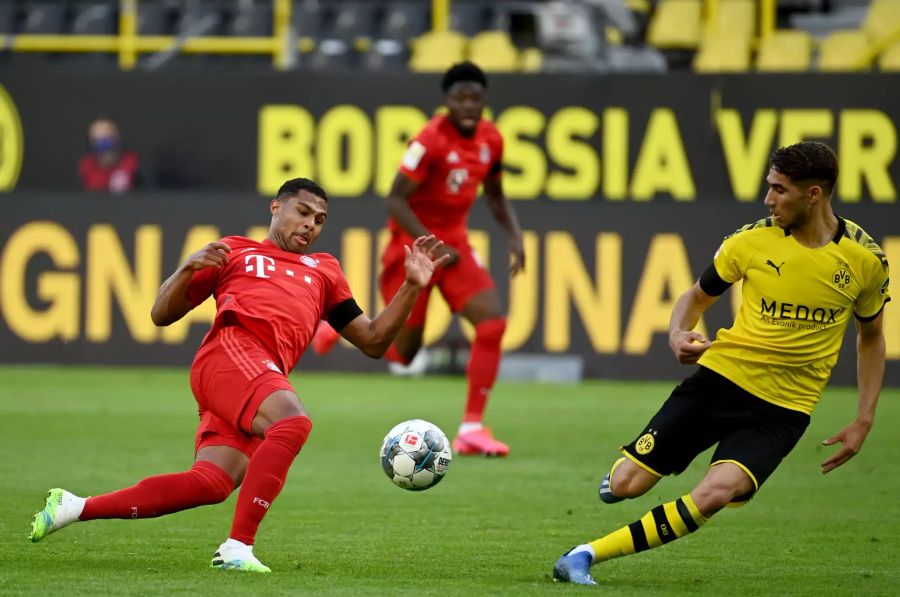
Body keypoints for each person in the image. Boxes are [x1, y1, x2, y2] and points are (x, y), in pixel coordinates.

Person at [29, 177, 448, 573]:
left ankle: (74, 507)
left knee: (212, 482)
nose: (310, 224)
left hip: (255, 376)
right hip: (231, 353)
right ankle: (237, 547)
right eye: (302, 212)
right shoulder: (236, 252)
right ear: (276, 207)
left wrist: (412, 286)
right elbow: (160, 315)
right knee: (292, 422)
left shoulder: (324, 270)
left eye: (319, 220)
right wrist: (187, 269)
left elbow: (373, 341)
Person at [553, 141, 890, 585]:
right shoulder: (750, 241)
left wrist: (864, 418)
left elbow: (871, 338)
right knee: (627, 486)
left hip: (784, 410)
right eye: (768, 187)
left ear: (814, 194)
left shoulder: (866, 261)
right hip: (720, 381)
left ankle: (582, 556)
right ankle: (620, 478)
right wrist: (677, 333)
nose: (768, 199)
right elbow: (695, 296)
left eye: (779, 190)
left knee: (714, 495)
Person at [312, 61, 525, 457]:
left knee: (493, 324)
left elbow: (495, 193)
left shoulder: (491, 139)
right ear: (447, 101)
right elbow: (396, 198)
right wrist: (431, 243)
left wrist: (513, 234)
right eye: (459, 97)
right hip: (413, 249)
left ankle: (472, 429)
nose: (467, 104)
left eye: (474, 98)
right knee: (404, 353)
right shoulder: (429, 141)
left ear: (483, 101)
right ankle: (337, 328)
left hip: (455, 247)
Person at [78, 117, 140, 192]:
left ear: (116, 136)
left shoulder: (131, 161)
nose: (101, 139)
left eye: (105, 135)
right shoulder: (87, 165)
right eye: (97, 137)